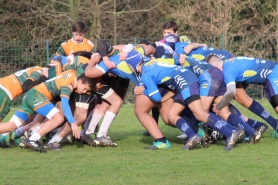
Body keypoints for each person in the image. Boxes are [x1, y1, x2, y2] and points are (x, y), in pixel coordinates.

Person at [127, 51, 243, 150]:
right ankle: (194, 135)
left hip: (185, 83)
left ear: (132, 66)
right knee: (172, 115)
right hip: (184, 81)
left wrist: (144, 91)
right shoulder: (151, 63)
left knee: (199, 113)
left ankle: (230, 132)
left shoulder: (146, 73)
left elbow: (156, 97)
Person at [10, 70, 96, 152]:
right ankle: (32, 138)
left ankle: (31, 135)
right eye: (85, 88)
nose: (85, 91)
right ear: (80, 81)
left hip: (34, 94)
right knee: (58, 118)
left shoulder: (72, 74)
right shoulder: (68, 84)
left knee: (10, 125)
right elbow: (65, 105)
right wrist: (73, 123)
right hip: (36, 94)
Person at [207, 55, 278, 135]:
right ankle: (275, 125)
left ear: (215, 68)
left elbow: (231, 92)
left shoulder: (227, 70)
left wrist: (218, 107)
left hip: (273, 74)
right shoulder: (229, 63)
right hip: (268, 78)